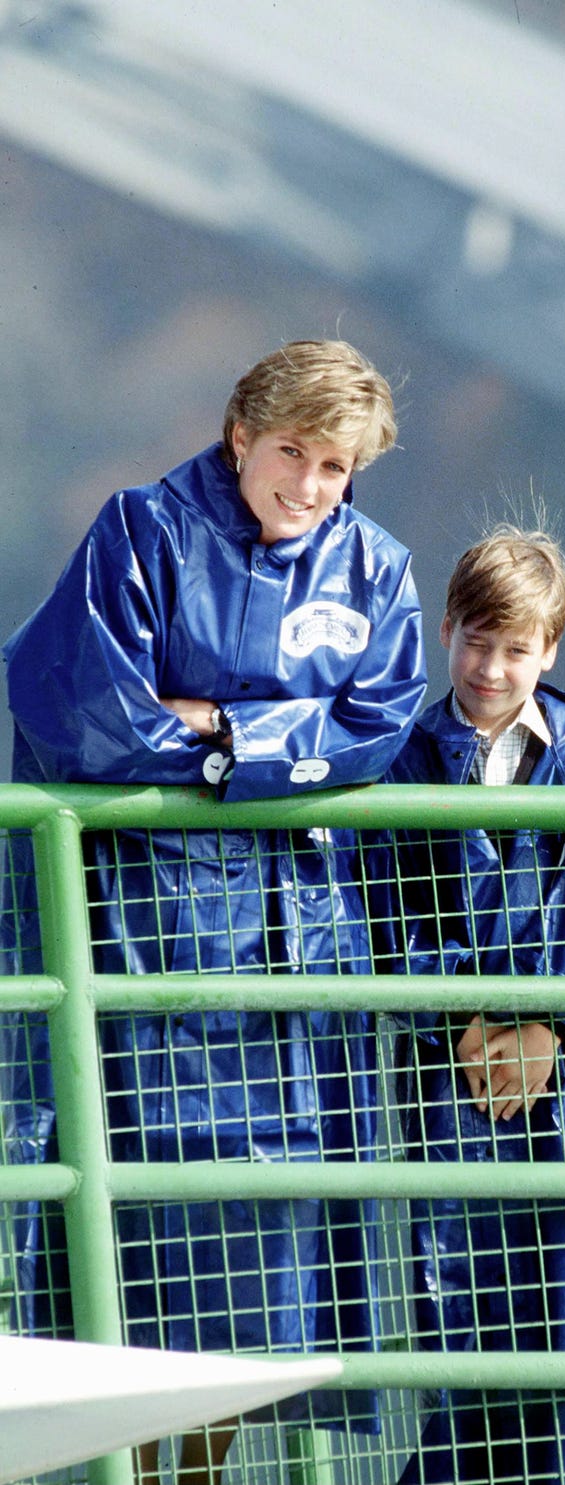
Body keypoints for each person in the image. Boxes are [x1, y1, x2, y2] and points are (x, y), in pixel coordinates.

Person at [1, 340, 427, 1483]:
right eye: (291, 452)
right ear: (241, 433)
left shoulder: (376, 569)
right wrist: (284, 738)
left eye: (335, 465)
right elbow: (86, 715)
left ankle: (192, 1476)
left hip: (294, 970)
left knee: (264, 1268)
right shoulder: (140, 532)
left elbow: (377, 727)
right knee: (123, 1241)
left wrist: (224, 731)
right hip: (140, 943)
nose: (309, 485)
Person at [376, 524, 565, 1485]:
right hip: (457, 1075)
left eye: (517, 649)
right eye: (476, 641)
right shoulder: (402, 761)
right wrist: (462, 1018)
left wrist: (550, 1020)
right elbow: (388, 909)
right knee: (464, 1296)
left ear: (550, 651)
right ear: (447, 631)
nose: (492, 669)